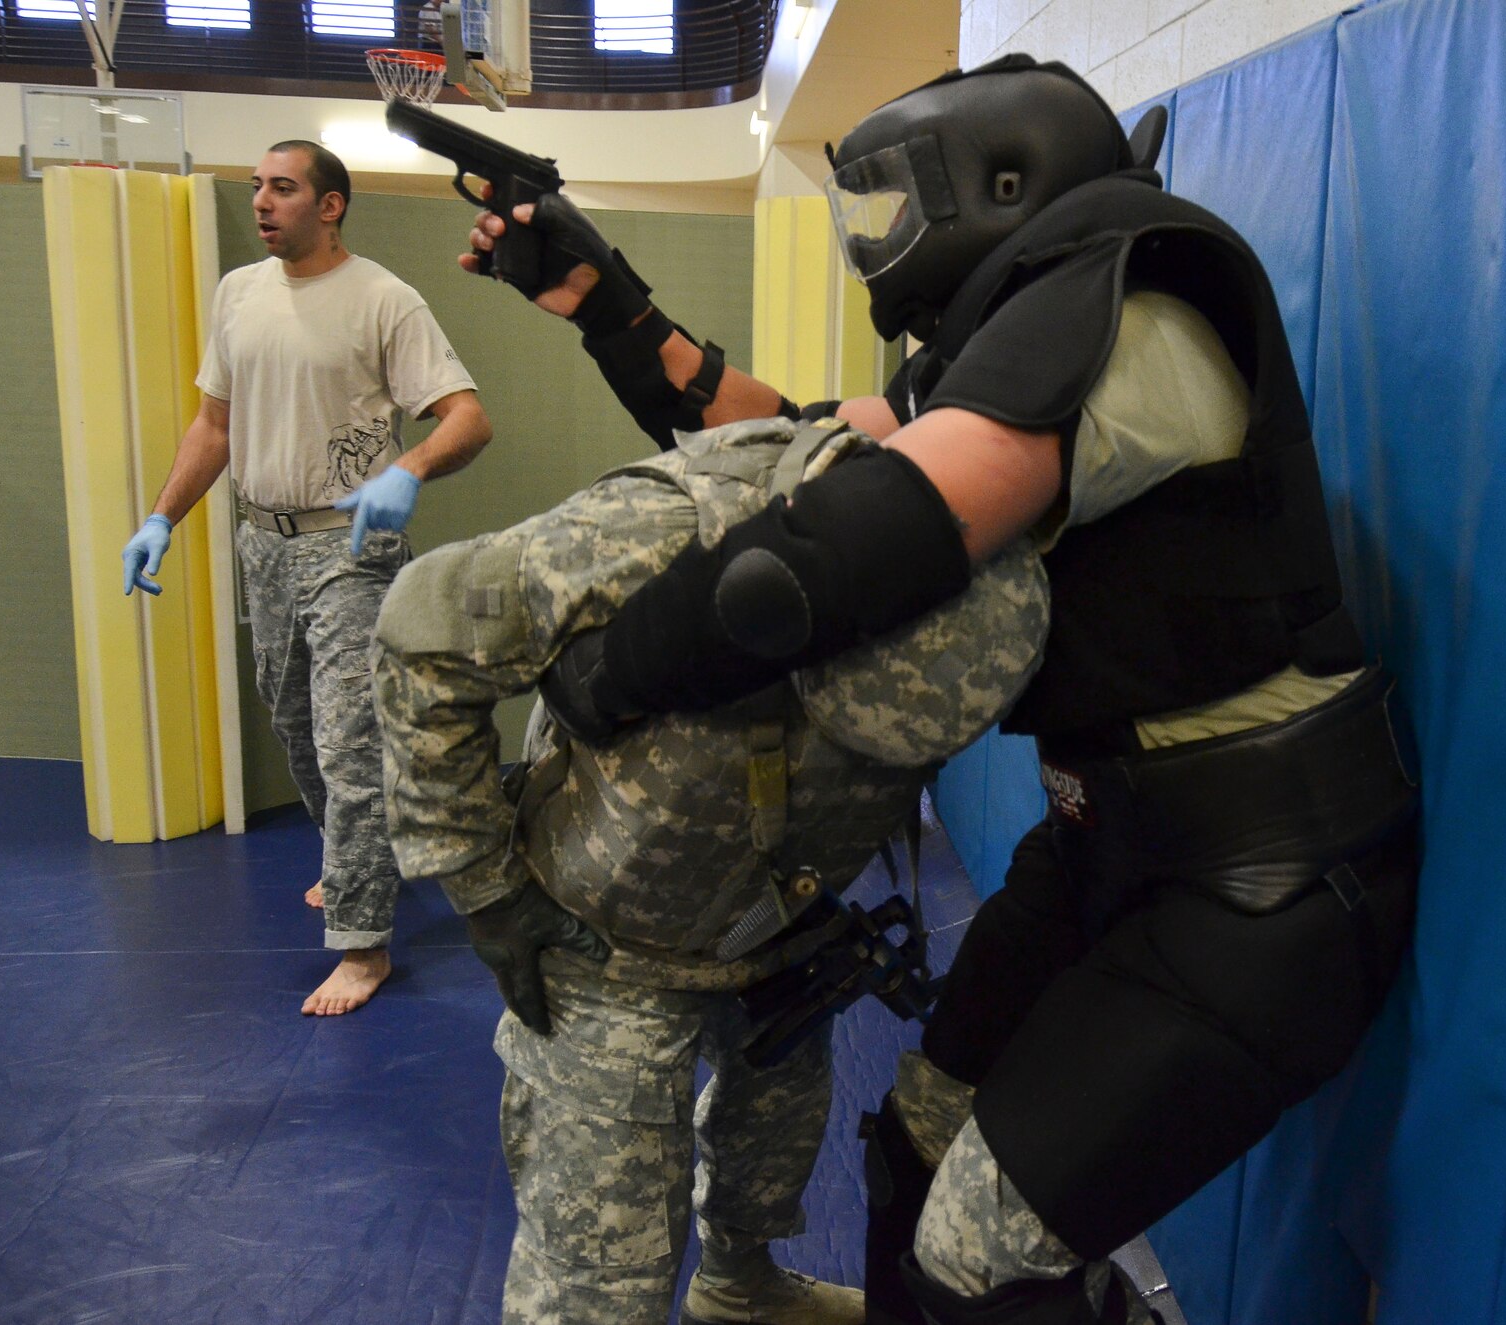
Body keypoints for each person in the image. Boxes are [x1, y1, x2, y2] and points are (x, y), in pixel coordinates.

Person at [462, 55, 1421, 1325]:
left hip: (1260, 882)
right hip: (1110, 843)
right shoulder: (1016, 334)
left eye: (886, 206)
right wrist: (615, 312)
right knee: (914, 1139)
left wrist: (611, 674)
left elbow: (853, 538)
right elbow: (797, 442)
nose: (875, 245)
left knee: (981, 1261)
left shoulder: (1132, 297)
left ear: (999, 179)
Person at [371, 412, 1049, 1325]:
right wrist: (484, 889)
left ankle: (739, 1286)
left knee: (771, 1139)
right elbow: (422, 630)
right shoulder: (663, 538)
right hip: (605, 940)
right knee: (600, 1269)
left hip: (776, 924)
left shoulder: (1002, 545)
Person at [120, 140, 493, 1017]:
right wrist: (160, 518)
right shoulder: (239, 294)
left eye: (282, 189)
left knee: (348, 742)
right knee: (294, 724)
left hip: (348, 548)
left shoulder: (383, 299)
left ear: (330, 207)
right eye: (257, 187)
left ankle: (364, 946)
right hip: (264, 542)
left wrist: (410, 471)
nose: (261, 201)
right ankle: (355, 859)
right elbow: (214, 424)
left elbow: (467, 419)